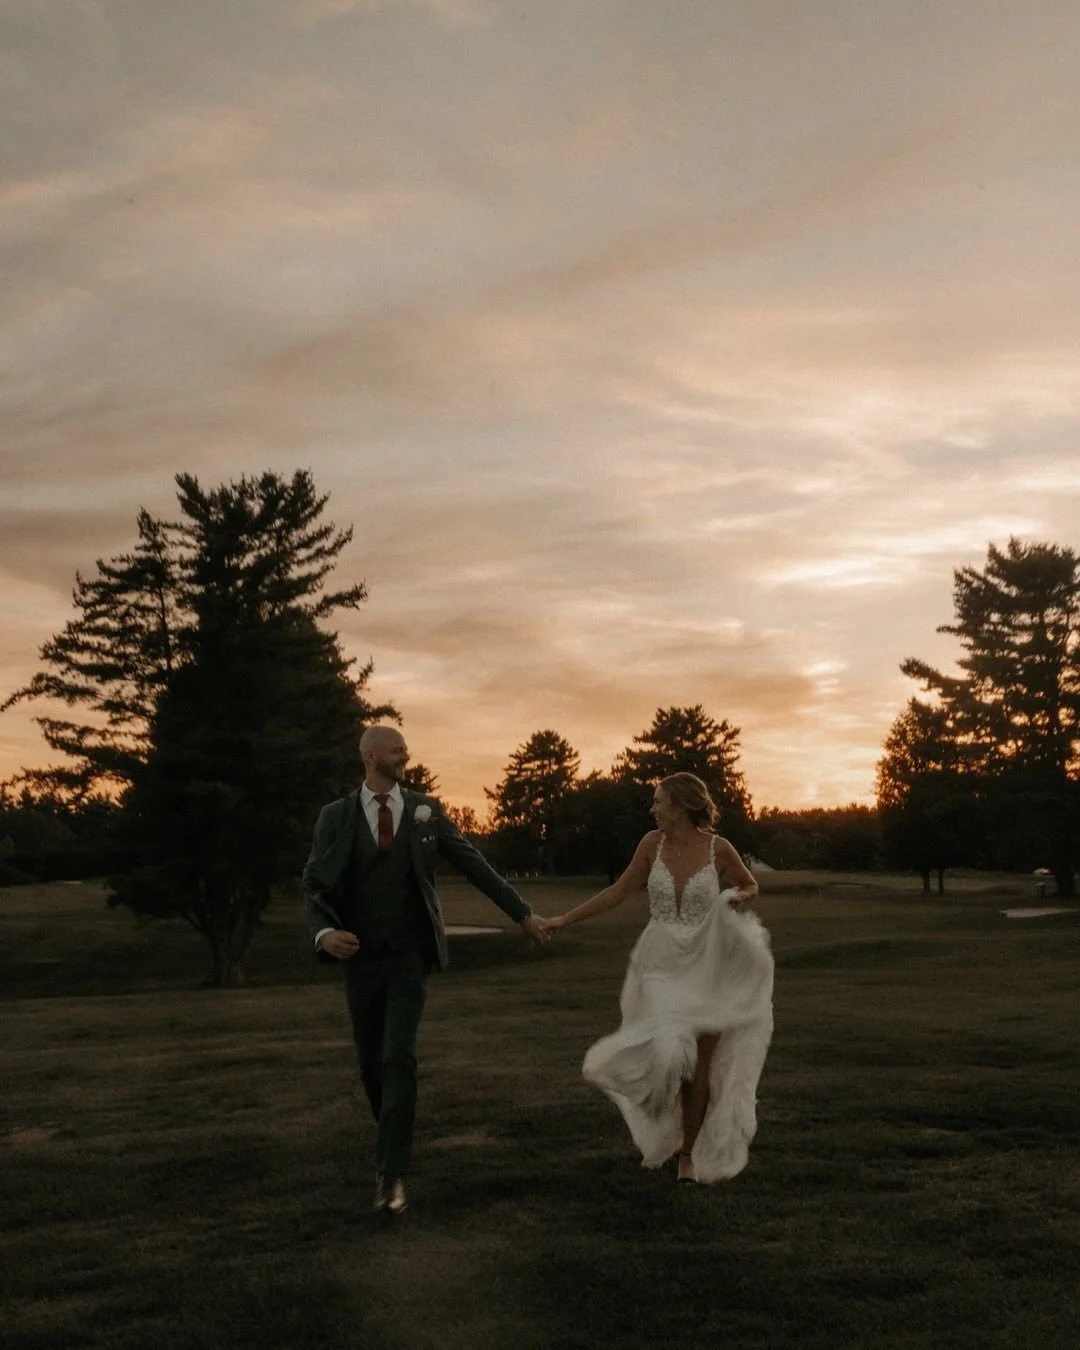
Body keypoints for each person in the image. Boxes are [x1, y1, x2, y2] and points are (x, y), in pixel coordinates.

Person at [303, 724, 551, 1217]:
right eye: (396, 749)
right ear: (370, 756)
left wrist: (523, 914)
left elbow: (474, 864)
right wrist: (324, 934)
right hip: (358, 959)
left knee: (398, 1057)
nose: (405, 756)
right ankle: (393, 1133)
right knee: (370, 1065)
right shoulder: (335, 817)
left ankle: (390, 1174)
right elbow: (315, 886)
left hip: (409, 958)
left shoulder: (425, 810)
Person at [544, 772, 773, 1183]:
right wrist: (566, 918)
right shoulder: (651, 845)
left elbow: (750, 884)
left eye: (658, 801)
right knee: (669, 1052)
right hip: (662, 963)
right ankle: (662, 1120)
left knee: (700, 1066)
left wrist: (737, 897)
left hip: (709, 962)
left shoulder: (719, 849)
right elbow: (617, 891)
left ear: (681, 807)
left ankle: (687, 1155)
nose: (653, 809)